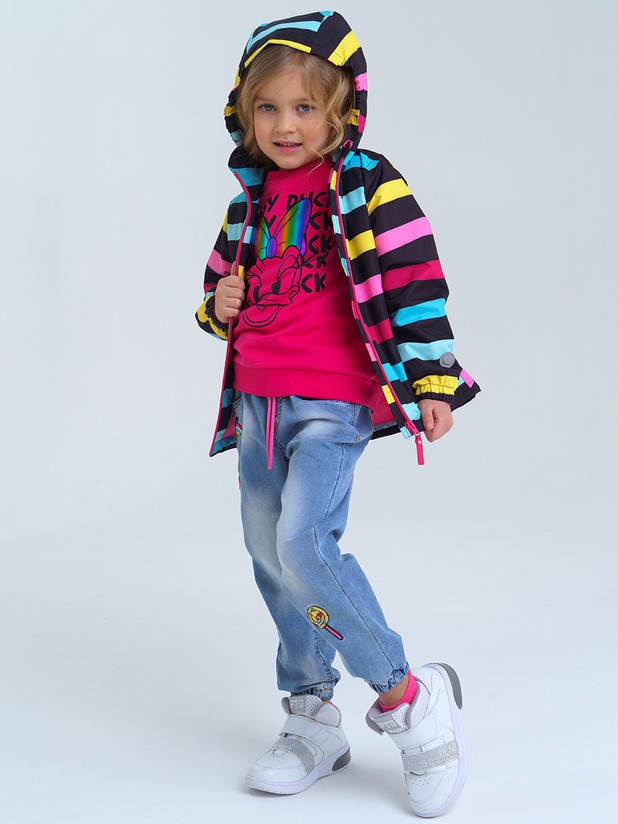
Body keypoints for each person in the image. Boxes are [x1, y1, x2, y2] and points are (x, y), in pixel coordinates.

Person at [195, 10, 479, 818]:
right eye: (268, 108)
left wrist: (433, 380)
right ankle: (312, 713)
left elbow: (416, 277)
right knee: (270, 556)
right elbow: (217, 294)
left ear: (343, 110)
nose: (285, 126)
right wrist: (218, 303)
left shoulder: (367, 181)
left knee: (304, 546)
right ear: (245, 113)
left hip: (333, 399)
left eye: (304, 107)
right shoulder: (249, 201)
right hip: (258, 402)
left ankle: (407, 698)